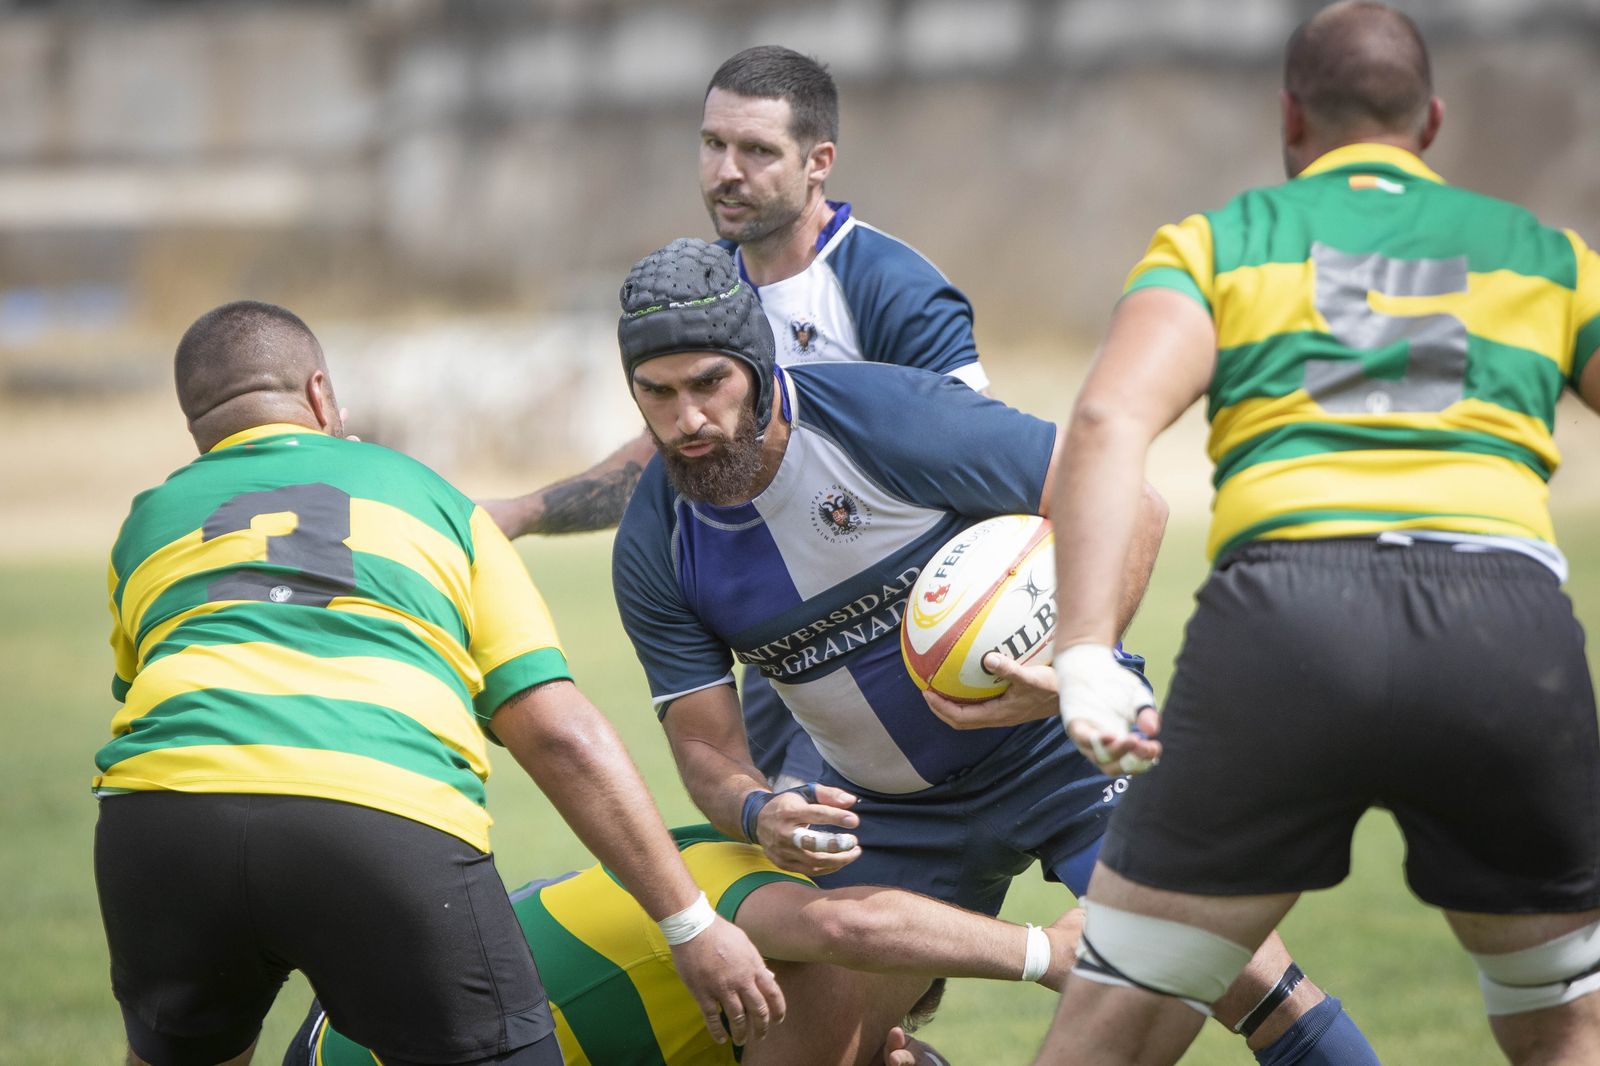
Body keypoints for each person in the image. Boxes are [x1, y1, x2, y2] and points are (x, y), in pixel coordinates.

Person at [609, 237, 1379, 1063]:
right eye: (657, 393)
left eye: (709, 384)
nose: (687, 419)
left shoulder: (884, 416)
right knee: (798, 1053)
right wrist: (758, 810)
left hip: (1059, 748)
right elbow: (703, 746)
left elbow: (1131, 503)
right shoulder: (656, 544)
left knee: (1239, 974)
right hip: (885, 814)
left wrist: (1080, 669)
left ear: (756, 367)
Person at [1039, 3, 1600, 1063]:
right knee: (1564, 1028)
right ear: (1430, 120)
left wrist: (1081, 653)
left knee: (1107, 1036)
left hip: (1283, 627)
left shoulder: (1215, 244)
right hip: (1503, 633)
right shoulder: (1550, 257)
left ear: (1288, 118)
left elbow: (1110, 419)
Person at [93, 301, 780, 1066]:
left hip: (159, 820)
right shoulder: (434, 500)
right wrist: (689, 923)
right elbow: (555, 729)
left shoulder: (148, 521)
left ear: (200, 428)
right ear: (321, 395)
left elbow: (149, 687)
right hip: (374, 814)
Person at [484, 44, 994, 788]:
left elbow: (979, 459)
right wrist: (521, 511)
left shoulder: (888, 286)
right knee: (776, 839)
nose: (726, 171)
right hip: (780, 631)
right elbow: (678, 453)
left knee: (867, 861)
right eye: (712, 144)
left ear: (819, 160)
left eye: (756, 150)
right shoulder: (706, 288)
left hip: (898, 629)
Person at [283, 822, 1085, 1066]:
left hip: (339, 1024)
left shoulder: (702, 882)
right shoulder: (752, 901)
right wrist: (1048, 953)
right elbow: (854, 929)